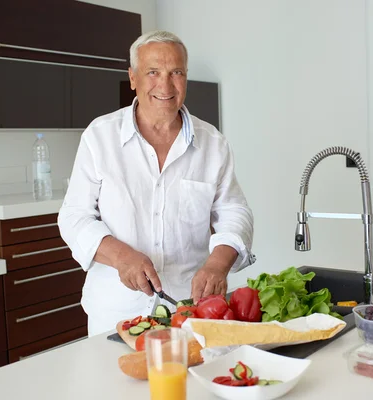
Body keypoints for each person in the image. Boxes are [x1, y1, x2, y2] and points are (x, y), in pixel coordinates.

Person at [58, 30, 255, 337]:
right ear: (133, 78)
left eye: (176, 72)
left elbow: (234, 213)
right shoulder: (100, 136)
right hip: (114, 314)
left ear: (186, 78)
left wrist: (218, 264)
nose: (165, 85)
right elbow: (73, 217)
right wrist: (122, 257)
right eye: (153, 72)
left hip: (188, 310)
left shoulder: (213, 143)